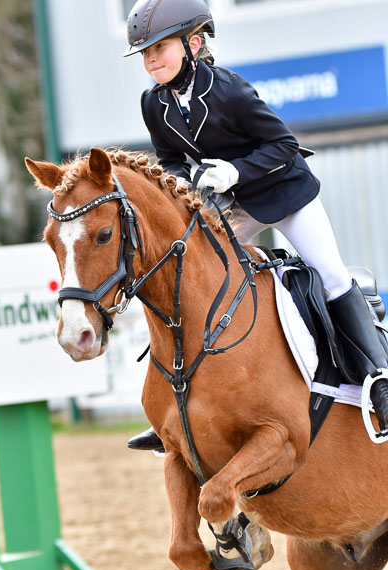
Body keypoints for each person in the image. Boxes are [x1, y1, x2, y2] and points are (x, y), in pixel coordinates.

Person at [124, 0, 388, 451]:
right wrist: (191, 180)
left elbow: (284, 143)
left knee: (330, 276)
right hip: (233, 206)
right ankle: (173, 404)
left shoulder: (229, 90)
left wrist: (234, 172)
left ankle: (379, 381)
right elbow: (169, 160)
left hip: (286, 195)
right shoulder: (154, 103)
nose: (151, 60)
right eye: (145, 53)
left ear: (194, 43)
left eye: (159, 48)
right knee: (188, 276)